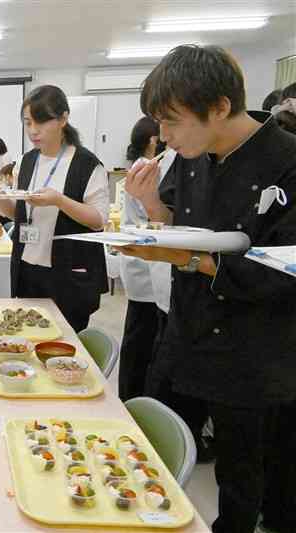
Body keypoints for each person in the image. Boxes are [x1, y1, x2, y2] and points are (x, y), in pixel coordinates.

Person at [121, 44, 296, 533]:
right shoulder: (191, 155)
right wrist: (153, 206)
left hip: (252, 353)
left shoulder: (287, 163)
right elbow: (178, 224)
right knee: (148, 453)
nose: (165, 137)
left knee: (243, 481)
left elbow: (281, 273)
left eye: (173, 122)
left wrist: (188, 259)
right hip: (184, 334)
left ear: (220, 107)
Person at [0, 85, 109, 332]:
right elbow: (14, 213)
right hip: (27, 267)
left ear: (63, 119)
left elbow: (98, 220)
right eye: (28, 123)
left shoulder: (87, 164)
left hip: (69, 272)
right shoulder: (28, 161)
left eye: (41, 122)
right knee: (28, 335)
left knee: (63, 343)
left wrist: (59, 200)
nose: (33, 131)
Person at [117, 116, 176, 401]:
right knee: (140, 337)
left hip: (154, 264)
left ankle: (135, 397)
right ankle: (130, 397)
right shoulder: (150, 168)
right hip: (145, 263)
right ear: (154, 138)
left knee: (145, 337)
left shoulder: (157, 166)